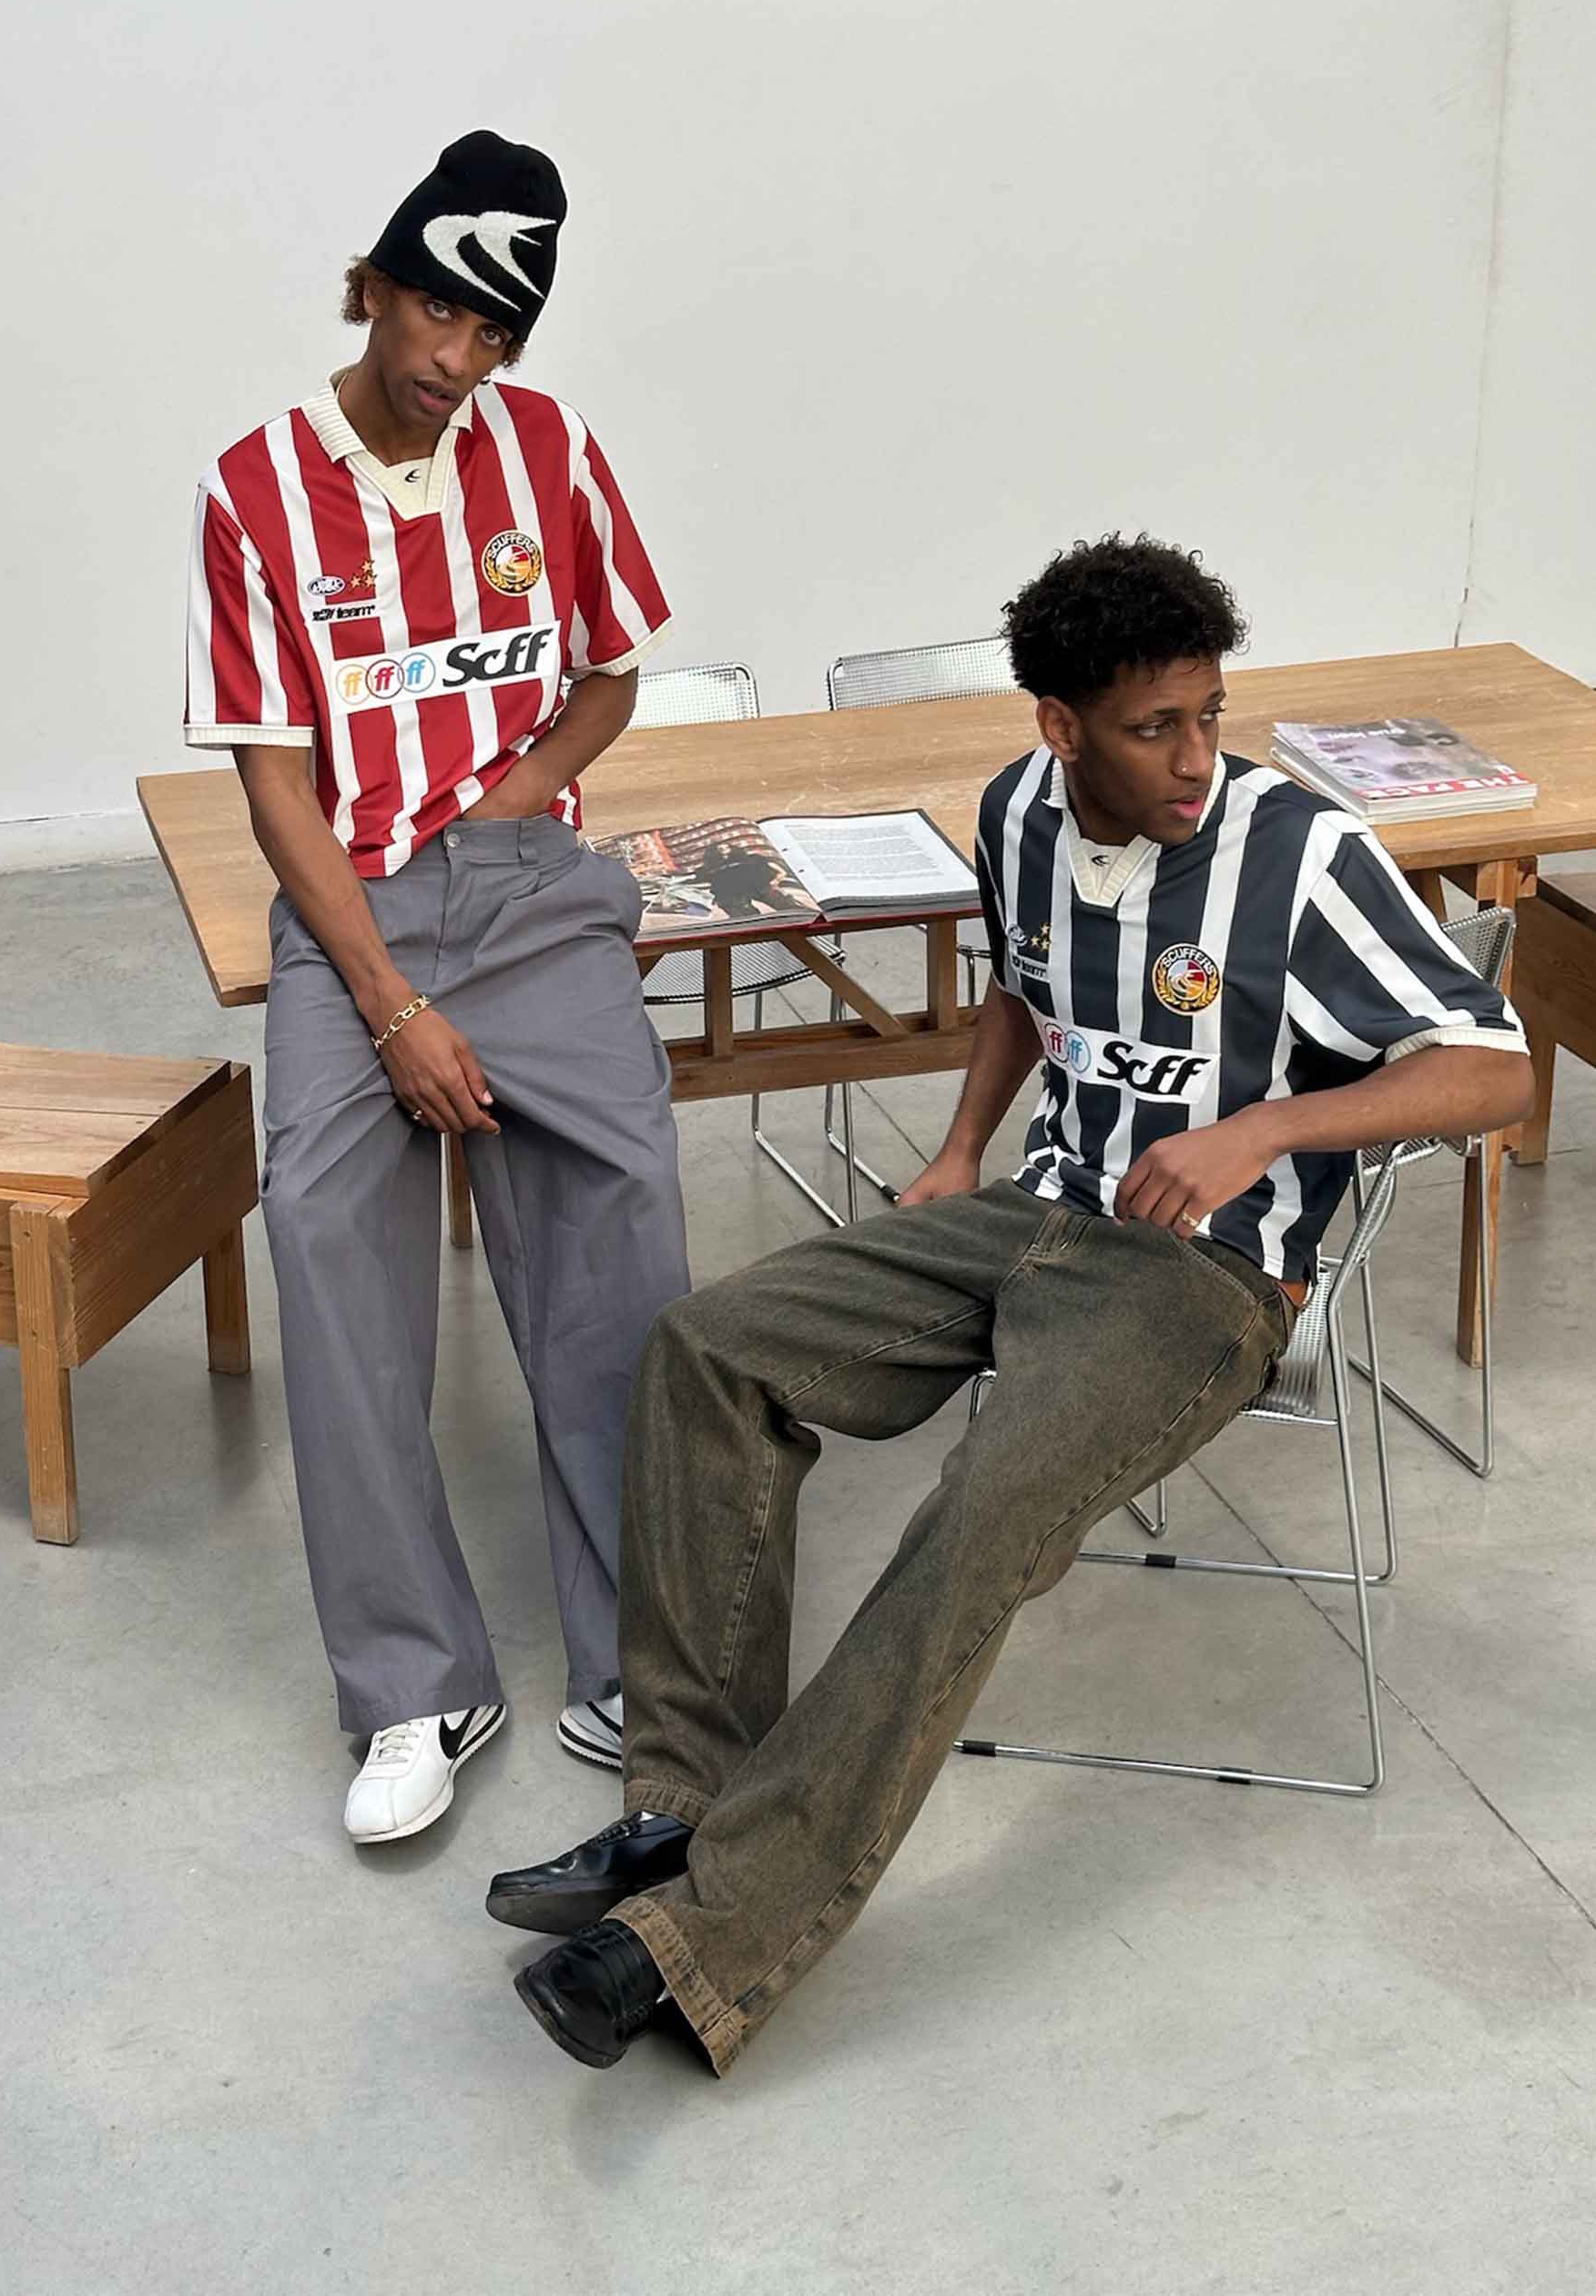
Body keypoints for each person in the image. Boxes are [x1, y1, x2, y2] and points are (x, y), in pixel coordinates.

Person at [485, 533, 1534, 2071]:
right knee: (709, 1348)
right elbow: (1023, 988)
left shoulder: (1300, 853)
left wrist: (1263, 1128)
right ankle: (677, 1810)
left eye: (1209, 715)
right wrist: (963, 1145)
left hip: (1201, 1279)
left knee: (982, 1511)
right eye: (1152, 727)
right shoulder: (1017, 811)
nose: (1196, 757)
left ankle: (702, 1940)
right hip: (1034, 1211)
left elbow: (1496, 1067)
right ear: (1059, 725)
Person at [185, 131, 689, 1842]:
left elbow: (610, 671)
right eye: (438, 316)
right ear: (376, 287)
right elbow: (273, 787)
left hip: (528, 884)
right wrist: (393, 1003)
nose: (458, 361)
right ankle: (417, 1681)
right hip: (353, 905)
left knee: (626, 1208)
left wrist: (507, 800)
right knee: (322, 1222)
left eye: (494, 335)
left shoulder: (549, 451)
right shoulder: (255, 489)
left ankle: (635, 1657)